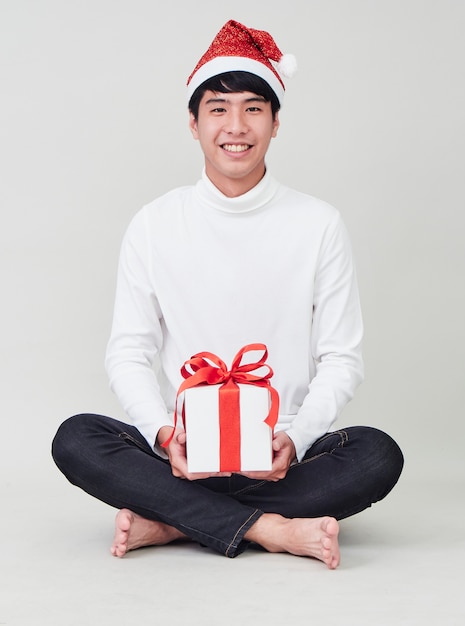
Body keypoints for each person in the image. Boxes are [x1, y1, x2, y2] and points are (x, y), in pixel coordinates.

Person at [52, 20, 403, 569]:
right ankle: (271, 529)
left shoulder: (318, 224)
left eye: (253, 108)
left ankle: (173, 521)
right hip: (183, 453)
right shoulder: (154, 224)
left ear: (276, 121)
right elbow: (128, 351)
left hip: (278, 453)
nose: (235, 126)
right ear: (193, 124)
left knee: (377, 454)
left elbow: (340, 357)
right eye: (218, 108)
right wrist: (166, 435)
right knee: (76, 438)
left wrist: (299, 438)